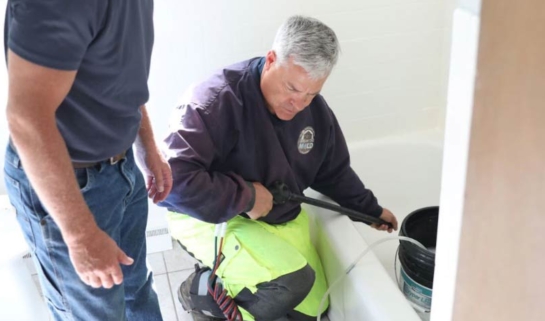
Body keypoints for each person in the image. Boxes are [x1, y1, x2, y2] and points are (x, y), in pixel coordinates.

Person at [158, 16, 399, 321]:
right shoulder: (214, 101)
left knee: (312, 309)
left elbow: (333, 171)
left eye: (311, 93)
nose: (298, 103)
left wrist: (370, 210)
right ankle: (200, 292)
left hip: (271, 218)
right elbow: (171, 183)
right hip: (207, 215)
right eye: (292, 88)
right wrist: (245, 197)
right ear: (271, 60)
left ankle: (236, 288)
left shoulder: (315, 111)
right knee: (289, 284)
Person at [1, 0, 171, 319]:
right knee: (98, 313)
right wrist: (80, 236)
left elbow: (117, 71)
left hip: (121, 169)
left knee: (137, 290)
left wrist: (146, 144)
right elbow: (26, 118)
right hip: (72, 184)